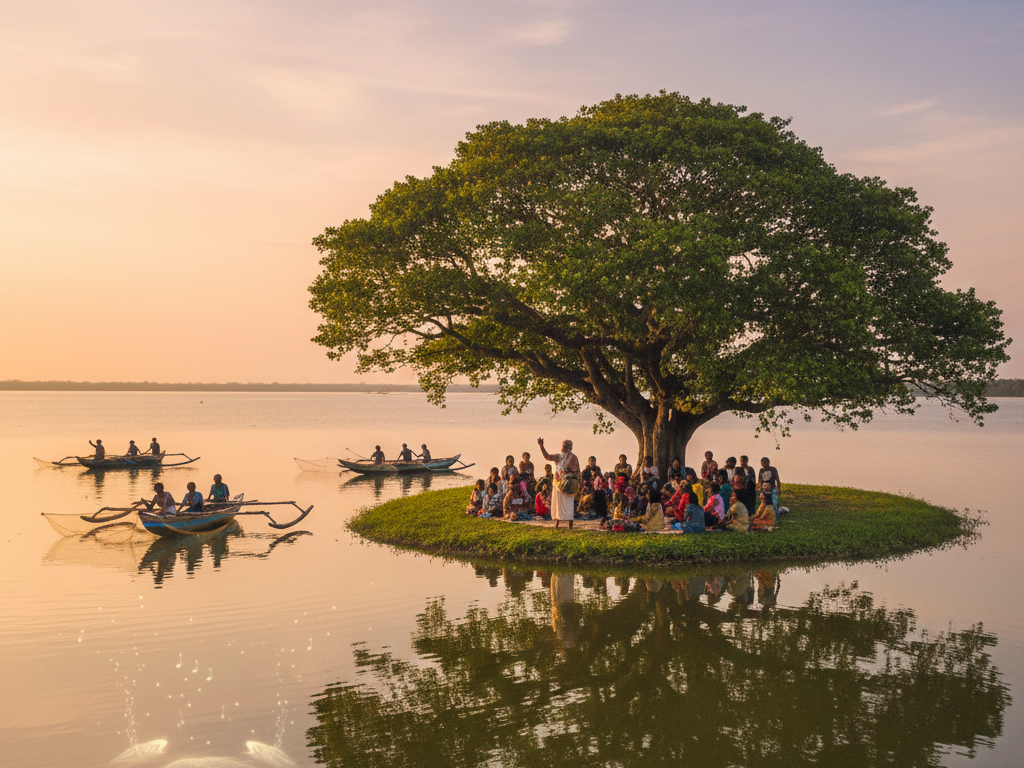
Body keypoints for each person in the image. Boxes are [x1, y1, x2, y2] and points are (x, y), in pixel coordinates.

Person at [537, 437, 580, 530]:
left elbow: (577, 472)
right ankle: (556, 523)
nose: (563, 447)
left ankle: (570, 525)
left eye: (566, 446)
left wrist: (570, 475)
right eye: (563, 445)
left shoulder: (573, 458)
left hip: (568, 485)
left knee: (568, 505)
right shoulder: (558, 456)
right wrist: (541, 446)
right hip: (557, 484)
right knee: (557, 505)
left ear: (570, 448)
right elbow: (547, 456)